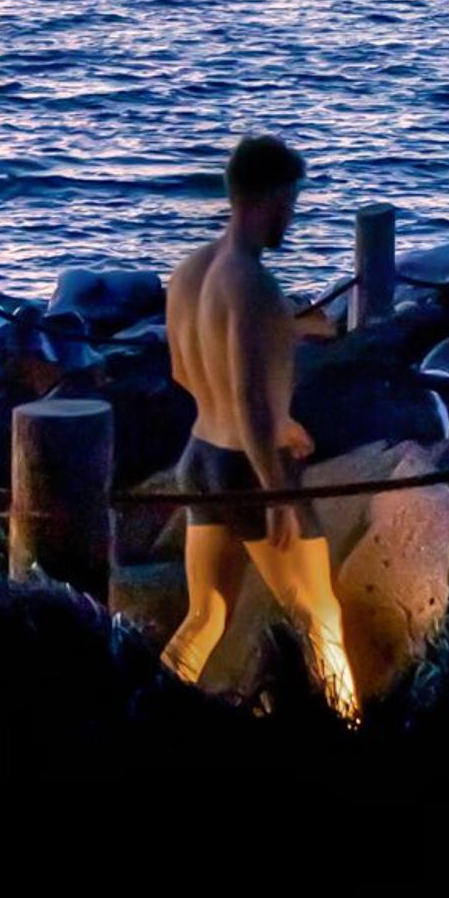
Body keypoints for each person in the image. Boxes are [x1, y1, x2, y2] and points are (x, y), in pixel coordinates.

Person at [161, 133, 354, 706]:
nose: (290, 218)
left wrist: (277, 409)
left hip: (199, 457)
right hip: (248, 469)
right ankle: (350, 732)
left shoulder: (189, 275)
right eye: (290, 203)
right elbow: (247, 402)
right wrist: (279, 494)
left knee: (206, 616)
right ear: (269, 199)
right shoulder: (253, 283)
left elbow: (184, 372)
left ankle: (149, 706)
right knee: (318, 615)